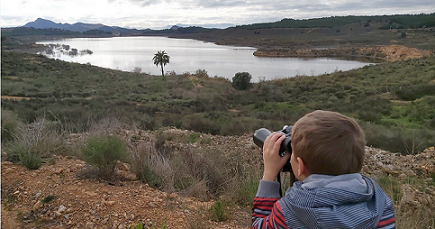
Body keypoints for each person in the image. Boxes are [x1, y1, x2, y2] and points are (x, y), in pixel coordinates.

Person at [252, 110, 395, 229]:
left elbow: (259, 225)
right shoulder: (381, 206)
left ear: (300, 166)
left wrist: (269, 174)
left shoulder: (289, 212)